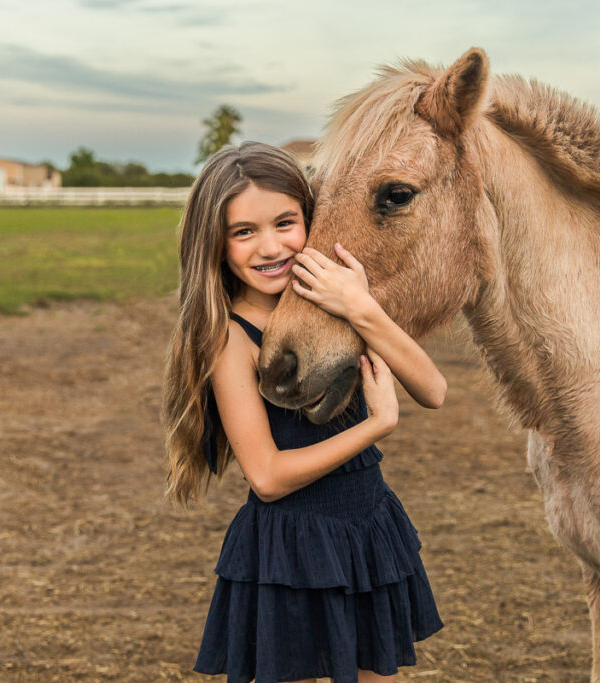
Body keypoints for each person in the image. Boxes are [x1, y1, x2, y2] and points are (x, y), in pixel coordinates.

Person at [162, 141, 446, 683]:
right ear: (215, 243)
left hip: (368, 531)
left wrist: (361, 307)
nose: (270, 247)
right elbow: (267, 478)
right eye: (243, 231)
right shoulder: (231, 338)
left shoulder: (332, 302)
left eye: (285, 223)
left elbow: (432, 389)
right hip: (291, 551)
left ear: (311, 221)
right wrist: (376, 426)